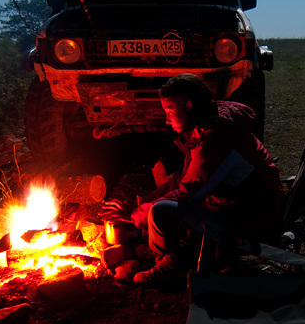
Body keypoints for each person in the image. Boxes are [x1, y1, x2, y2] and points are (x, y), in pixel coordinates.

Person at [100, 74, 284, 284]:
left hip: (255, 218)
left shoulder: (214, 139)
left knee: (160, 211)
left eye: (169, 111)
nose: (166, 119)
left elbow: (187, 194)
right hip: (241, 205)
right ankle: (171, 250)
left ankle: (172, 264)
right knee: (164, 194)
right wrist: (140, 205)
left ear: (188, 105)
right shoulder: (210, 122)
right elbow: (184, 179)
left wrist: (137, 214)